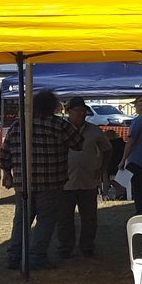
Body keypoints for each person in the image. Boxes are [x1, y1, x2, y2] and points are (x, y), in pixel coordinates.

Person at [0, 89, 85, 269]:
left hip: (24, 183)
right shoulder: (59, 125)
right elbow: (79, 144)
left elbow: (5, 153)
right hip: (51, 182)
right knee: (46, 221)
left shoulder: (18, 125)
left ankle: (14, 256)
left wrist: (7, 172)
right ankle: (37, 256)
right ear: (53, 107)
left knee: (21, 220)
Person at [58, 97, 115, 259]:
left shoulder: (94, 130)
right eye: (78, 111)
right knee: (64, 218)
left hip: (88, 180)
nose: (82, 114)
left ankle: (87, 246)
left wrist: (102, 168)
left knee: (89, 217)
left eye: (84, 112)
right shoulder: (61, 129)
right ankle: (65, 248)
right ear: (69, 112)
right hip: (65, 181)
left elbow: (107, 149)